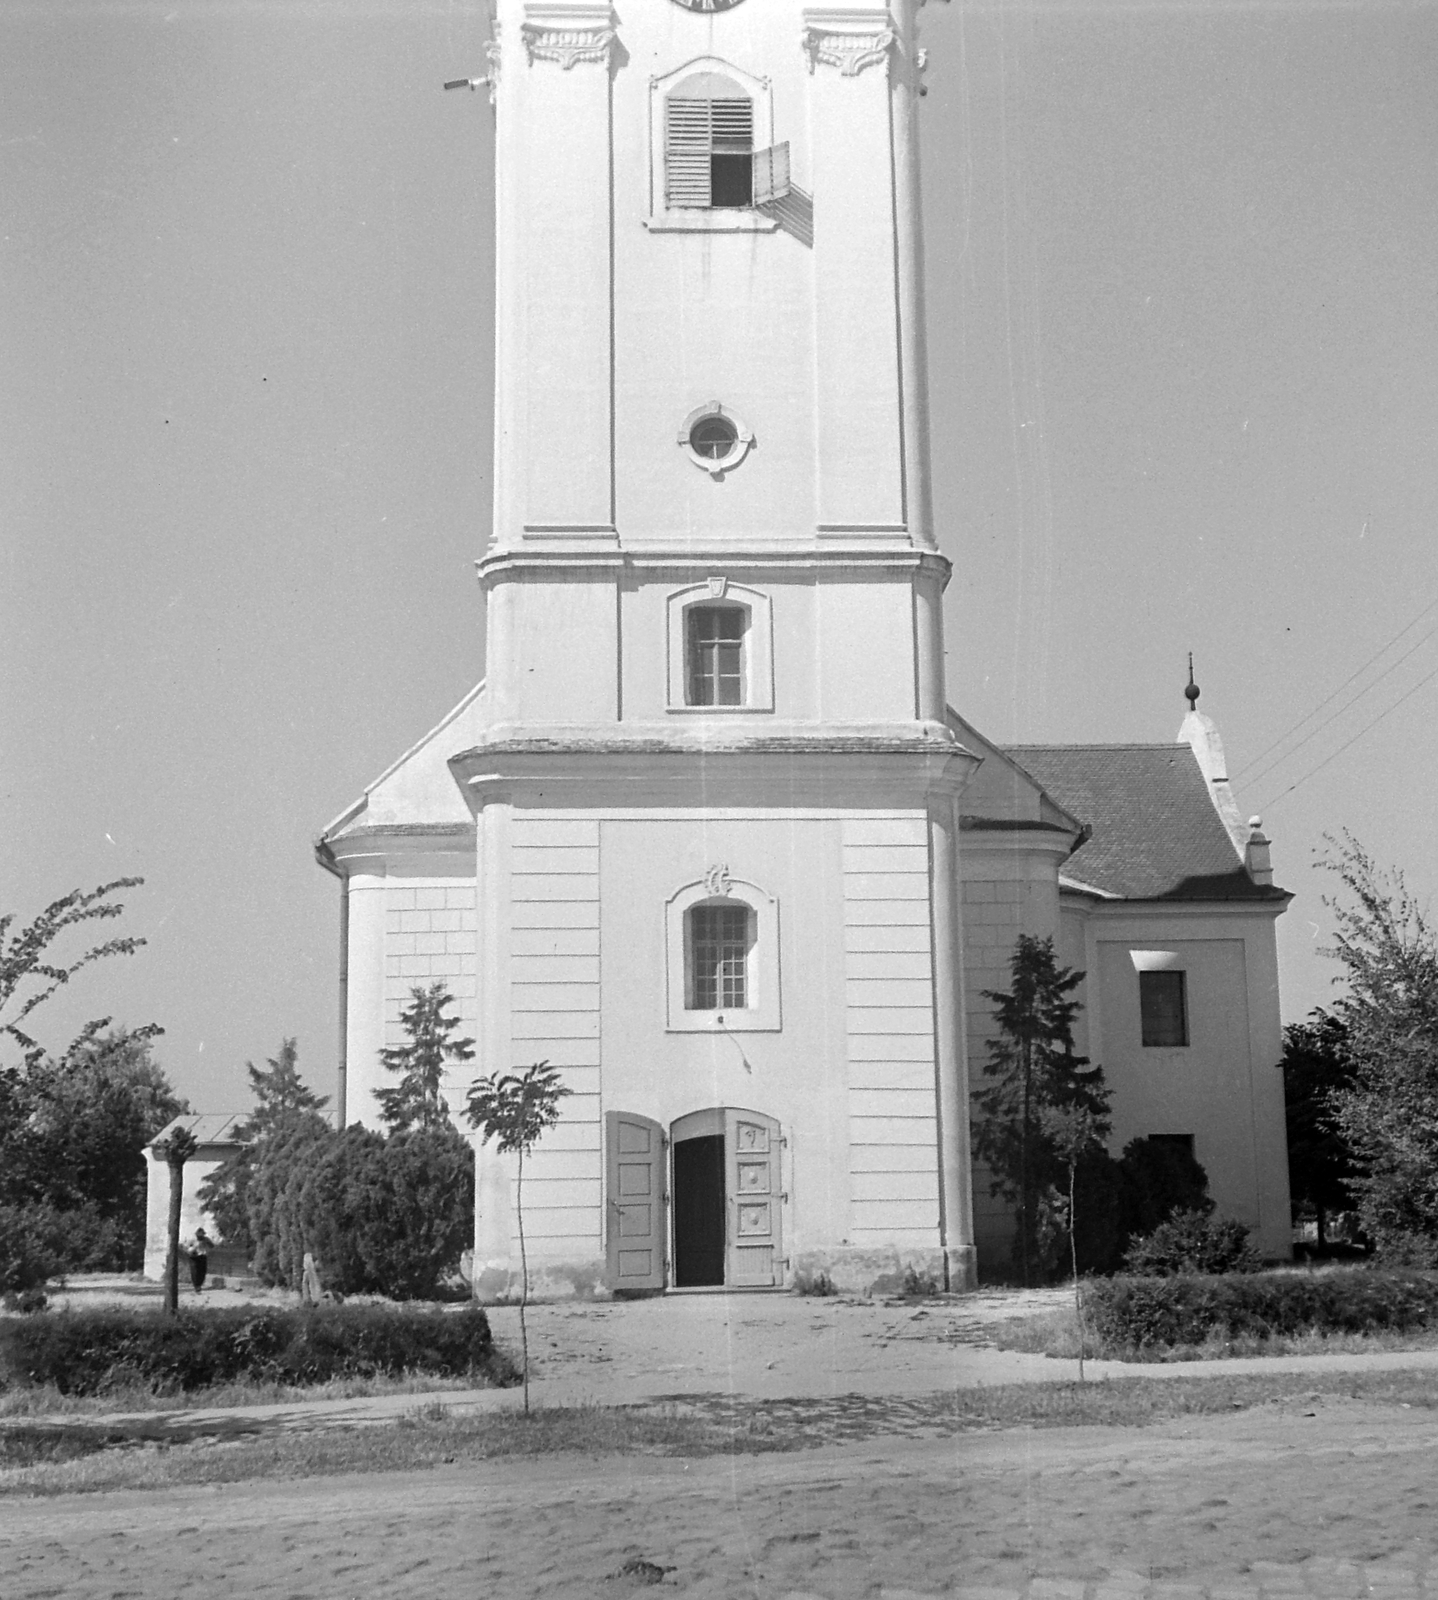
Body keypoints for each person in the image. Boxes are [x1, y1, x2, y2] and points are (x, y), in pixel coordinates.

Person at [187, 1227, 213, 1294]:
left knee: (202, 1271)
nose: (200, 1236)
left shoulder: (206, 1239)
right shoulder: (192, 1240)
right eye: (199, 1235)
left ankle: (199, 1285)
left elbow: (212, 1245)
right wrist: (192, 1248)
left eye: (202, 1235)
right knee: (195, 1271)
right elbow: (187, 1247)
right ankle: (196, 1286)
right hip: (194, 1256)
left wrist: (207, 1244)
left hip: (202, 1256)